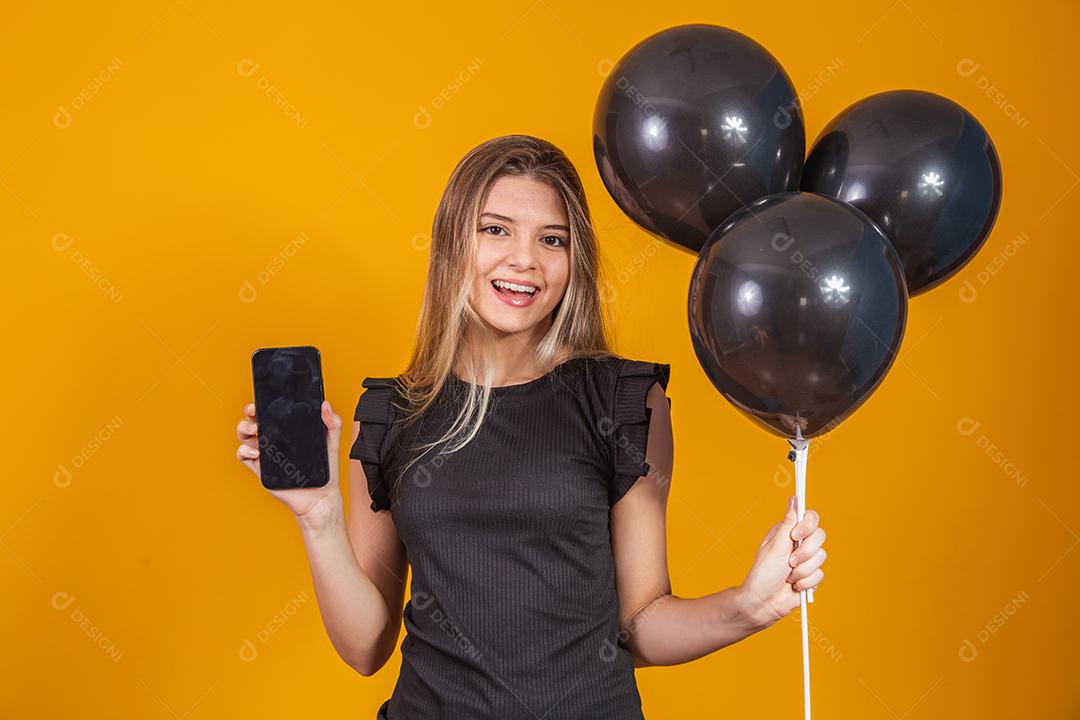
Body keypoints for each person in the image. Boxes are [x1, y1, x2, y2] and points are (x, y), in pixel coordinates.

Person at [235, 135, 827, 719]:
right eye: (495, 230)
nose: (525, 259)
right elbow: (366, 646)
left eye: (552, 240)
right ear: (451, 244)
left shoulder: (622, 401)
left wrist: (750, 606)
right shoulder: (396, 413)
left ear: (575, 261)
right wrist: (319, 517)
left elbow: (642, 622)